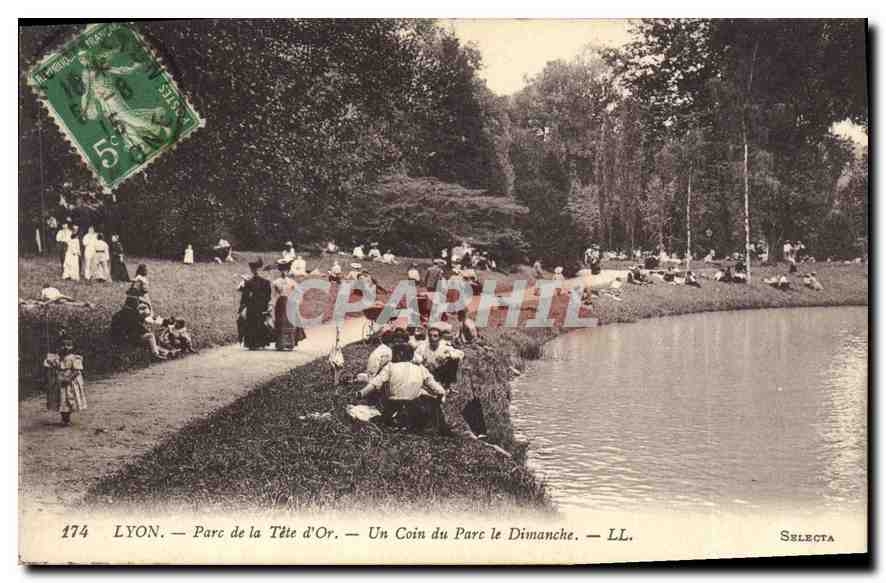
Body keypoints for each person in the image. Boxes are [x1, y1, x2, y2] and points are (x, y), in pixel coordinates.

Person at [355, 341, 448, 434]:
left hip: (393, 406)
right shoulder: (420, 368)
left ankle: (395, 421)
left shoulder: (390, 367)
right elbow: (433, 384)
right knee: (427, 400)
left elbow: (374, 384)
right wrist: (441, 394)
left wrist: (361, 393)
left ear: (398, 355)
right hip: (413, 408)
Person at [43, 335, 87, 426]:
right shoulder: (55, 357)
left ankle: (67, 418)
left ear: (72, 346)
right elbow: (50, 367)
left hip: (69, 381)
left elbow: (77, 371)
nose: (65, 347)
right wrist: (52, 365)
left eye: (68, 345)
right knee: (61, 399)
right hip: (59, 380)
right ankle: (64, 418)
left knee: (68, 399)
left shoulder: (74, 357)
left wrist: (69, 378)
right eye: (62, 345)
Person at [413, 322, 464, 388]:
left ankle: (448, 385)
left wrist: (449, 355)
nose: (432, 338)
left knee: (453, 361)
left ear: (440, 338)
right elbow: (415, 356)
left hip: (440, 376)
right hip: (426, 376)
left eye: (435, 336)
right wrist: (420, 360)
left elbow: (460, 354)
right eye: (430, 335)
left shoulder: (444, 347)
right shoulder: (423, 347)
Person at [238, 258, 273, 350]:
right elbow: (245, 295)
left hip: (260, 305)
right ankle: (253, 343)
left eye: (256, 269)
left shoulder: (264, 282)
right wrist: (243, 306)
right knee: (252, 323)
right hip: (253, 305)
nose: (255, 271)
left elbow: (268, 295)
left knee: (259, 323)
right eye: (253, 269)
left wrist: (268, 304)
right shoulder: (250, 282)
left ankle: (258, 342)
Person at [272, 259, 306, 351]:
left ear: (288, 271)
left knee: (289, 322)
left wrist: (297, 300)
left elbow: (300, 292)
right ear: (280, 271)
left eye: (286, 270)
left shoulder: (291, 282)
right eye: (282, 270)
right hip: (280, 303)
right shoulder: (276, 282)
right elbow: (274, 295)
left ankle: (290, 343)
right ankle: (281, 343)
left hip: (290, 303)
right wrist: (272, 304)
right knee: (281, 322)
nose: (284, 272)